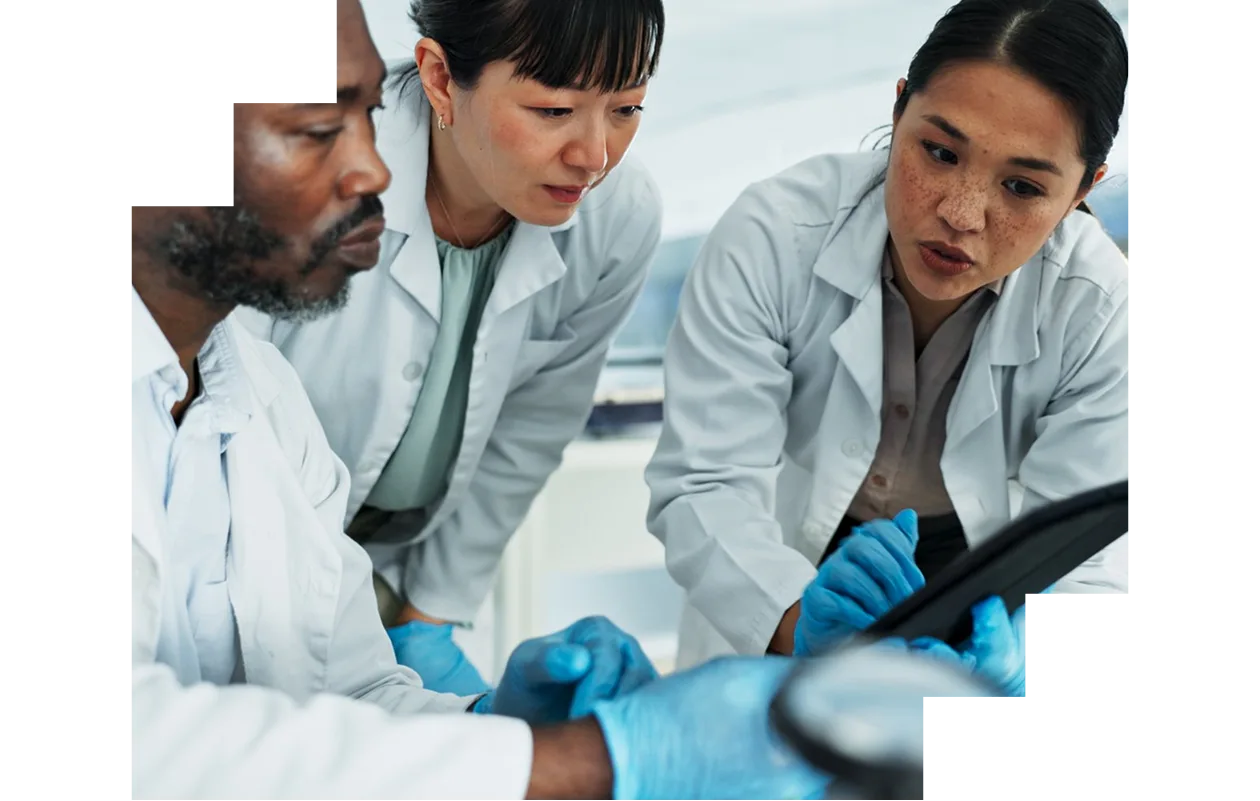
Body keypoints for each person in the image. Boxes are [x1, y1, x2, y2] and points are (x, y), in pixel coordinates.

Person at [129, 1, 844, 797]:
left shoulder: (257, 398)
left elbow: (345, 688)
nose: (372, 172)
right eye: (317, 129)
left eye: (366, 118)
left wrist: (490, 720)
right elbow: (152, 738)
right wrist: (585, 762)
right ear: (438, 80)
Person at [643, 0, 1136, 689]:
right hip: (781, 568)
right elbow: (707, 483)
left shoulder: (1101, 307)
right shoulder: (777, 232)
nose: (960, 215)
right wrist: (795, 617)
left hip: (990, 589)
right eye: (938, 151)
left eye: (1022, 187)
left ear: (1086, 187)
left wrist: (1014, 666)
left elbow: (1085, 557)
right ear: (899, 108)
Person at [233, 0, 666, 695]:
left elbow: (535, 421)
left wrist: (429, 613)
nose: (594, 155)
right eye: (553, 111)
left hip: (397, 565)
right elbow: (220, 419)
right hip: (248, 551)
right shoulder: (320, 176)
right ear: (438, 78)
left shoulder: (618, 217)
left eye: (627, 108)